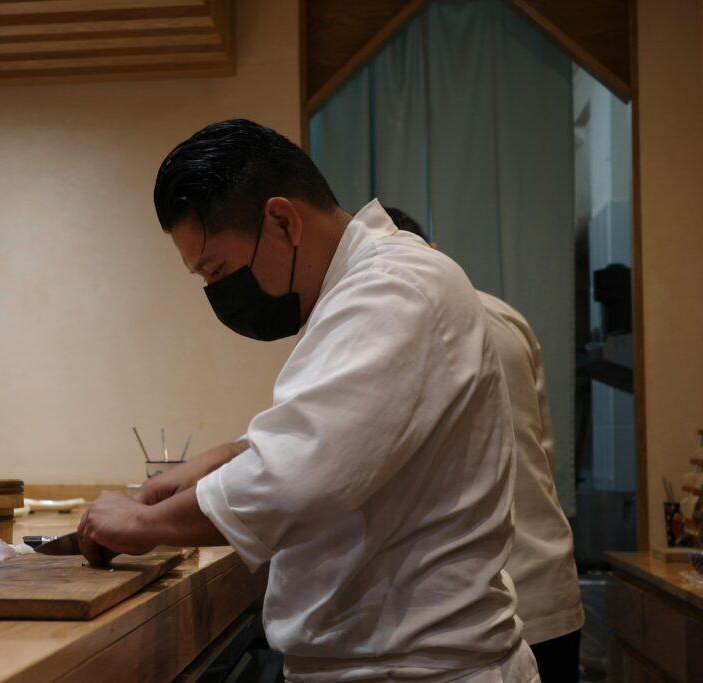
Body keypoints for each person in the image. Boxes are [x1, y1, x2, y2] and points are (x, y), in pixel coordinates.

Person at [77, 119, 539, 681]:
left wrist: (139, 524)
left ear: (281, 220)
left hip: (413, 667)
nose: (218, 294)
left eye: (217, 270)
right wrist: (217, 461)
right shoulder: (371, 284)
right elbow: (348, 435)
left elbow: (294, 479)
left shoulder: (391, 289)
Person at [387, 207, 584, 682]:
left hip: (480, 609)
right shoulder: (506, 315)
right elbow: (542, 452)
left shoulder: (393, 324)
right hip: (550, 584)